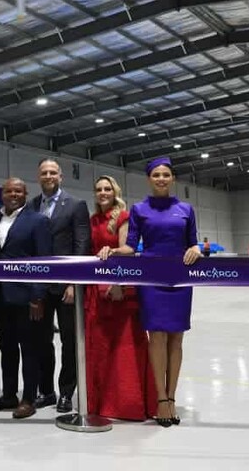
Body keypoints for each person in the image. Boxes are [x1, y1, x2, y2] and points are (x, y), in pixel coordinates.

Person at [99, 157, 202, 427]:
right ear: (149, 179)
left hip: (180, 279)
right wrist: (112, 249)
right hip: (152, 278)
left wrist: (197, 249)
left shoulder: (186, 209)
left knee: (176, 339)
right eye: (156, 175)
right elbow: (131, 246)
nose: (161, 179)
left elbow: (193, 242)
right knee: (156, 337)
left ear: (172, 178)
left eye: (166, 174)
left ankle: (172, 397)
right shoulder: (139, 209)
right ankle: (160, 400)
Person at [86, 175, 156, 421]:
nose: (103, 192)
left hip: (118, 291)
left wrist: (118, 282)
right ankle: (103, 403)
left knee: (124, 348)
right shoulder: (93, 220)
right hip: (96, 291)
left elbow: (128, 250)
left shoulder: (123, 217)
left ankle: (127, 403)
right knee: (101, 348)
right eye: (99, 189)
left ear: (115, 192)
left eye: (107, 189)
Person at [29, 158, 91, 413]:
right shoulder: (31, 206)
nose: (48, 176)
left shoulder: (76, 205)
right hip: (40, 288)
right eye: (44, 172)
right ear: (38, 176)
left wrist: (73, 283)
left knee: (69, 341)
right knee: (41, 341)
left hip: (66, 287)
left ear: (60, 177)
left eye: (53, 172)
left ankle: (67, 392)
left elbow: (82, 245)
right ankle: (46, 391)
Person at [0, 178, 52, 419]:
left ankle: (28, 398)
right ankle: (9, 395)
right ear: (2, 194)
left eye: (18, 191)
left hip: (26, 297)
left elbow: (44, 261)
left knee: (29, 349)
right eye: (8, 191)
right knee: (6, 348)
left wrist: (38, 296)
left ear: (26, 194)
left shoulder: (38, 221)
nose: (13, 194)